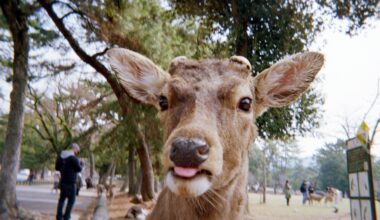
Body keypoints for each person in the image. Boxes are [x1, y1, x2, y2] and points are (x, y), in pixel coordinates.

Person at [55, 143, 82, 220]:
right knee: (71, 200)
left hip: (63, 181)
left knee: (62, 199)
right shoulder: (73, 158)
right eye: (77, 151)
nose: (76, 152)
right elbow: (79, 169)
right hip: (71, 182)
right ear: (74, 149)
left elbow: (57, 167)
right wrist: (81, 164)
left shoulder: (60, 157)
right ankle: (66, 216)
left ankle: (59, 217)